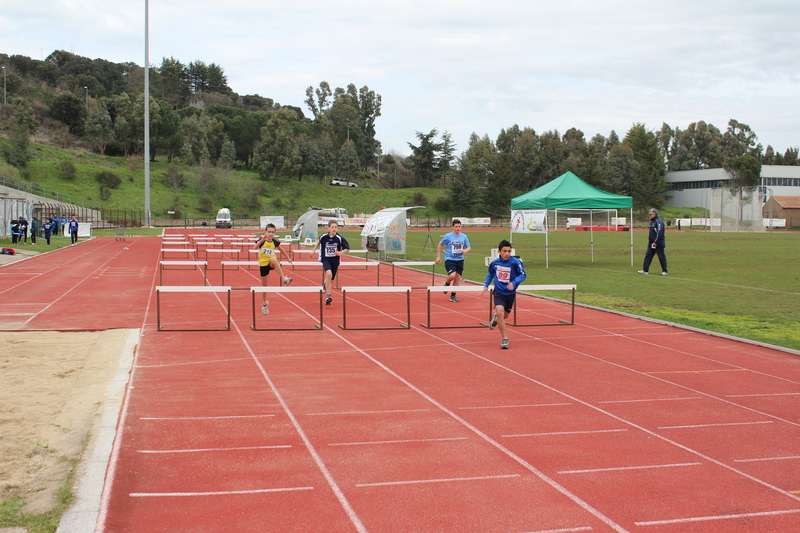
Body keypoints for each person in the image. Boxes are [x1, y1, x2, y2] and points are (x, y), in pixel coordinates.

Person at [481, 240, 527, 349]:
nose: (507, 254)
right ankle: (505, 339)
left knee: (504, 316)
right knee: (500, 312)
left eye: (509, 251)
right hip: (499, 292)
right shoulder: (495, 263)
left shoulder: (515, 262)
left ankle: (496, 318)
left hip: (510, 293)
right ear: (499, 251)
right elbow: (490, 274)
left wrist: (514, 282)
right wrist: (486, 285)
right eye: (504, 251)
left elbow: (523, 275)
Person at [254, 223, 294, 315]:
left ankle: (284, 279)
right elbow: (255, 247)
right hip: (263, 265)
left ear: (275, 233)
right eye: (269, 232)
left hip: (271, 263)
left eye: (272, 232)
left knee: (273, 259)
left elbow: (281, 249)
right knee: (265, 287)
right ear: (265, 232)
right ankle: (264, 303)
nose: (270, 234)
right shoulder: (262, 240)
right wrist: (261, 240)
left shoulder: (274, 242)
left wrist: (287, 257)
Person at [311, 220, 350, 306]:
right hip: (326, 259)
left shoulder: (340, 238)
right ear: (329, 228)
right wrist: (313, 250)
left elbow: (347, 248)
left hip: (335, 260)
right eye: (332, 227)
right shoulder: (324, 236)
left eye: (335, 227)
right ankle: (328, 295)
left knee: (331, 279)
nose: (334, 229)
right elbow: (318, 242)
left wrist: (340, 253)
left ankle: (325, 284)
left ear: (337, 228)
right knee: (328, 274)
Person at [434, 219, 471, 302]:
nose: (458, 228)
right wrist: (438, 257)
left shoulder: (464, 236)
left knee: (458, 277)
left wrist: (465, 251)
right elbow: (440, 245)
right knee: (452, 275)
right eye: (456, 226)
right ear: (452, 227)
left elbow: (469, 247)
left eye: (459, 226)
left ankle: (453, 295)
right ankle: (447, 283)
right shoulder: (448, 236)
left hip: (460, 259)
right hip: (450, 259)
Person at [638, 208, 668, 276]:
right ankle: (645, 270)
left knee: (661, 256)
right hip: (651, 243)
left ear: (654, 214)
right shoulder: (652, 222)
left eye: (650, 214)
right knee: (648, 256)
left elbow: (659, 233)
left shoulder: (658, 222)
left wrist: (656, 242)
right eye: (648, 214)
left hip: (658, 243)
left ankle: (664, 270)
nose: (649, 216)